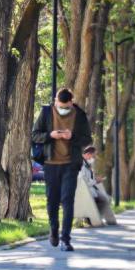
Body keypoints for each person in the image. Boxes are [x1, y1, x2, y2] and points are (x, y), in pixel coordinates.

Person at [32, 88, 92, 252]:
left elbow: (87, 139)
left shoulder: (79, 115)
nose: (63, 109)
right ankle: (54, 231)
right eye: (61, 106)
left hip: (70, 164)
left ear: (72, 102)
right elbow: (35, 135)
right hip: (51, 164)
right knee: (52, 201)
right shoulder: (46, 112)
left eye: (67, 107)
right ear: (55, 101)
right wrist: (50, 135)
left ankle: (66, 239)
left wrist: (71, 137)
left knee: (67, 200)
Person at [81, 146, 117, 225]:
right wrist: (95, 181)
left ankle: (101, 219)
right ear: (88, 154)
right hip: (86, 191)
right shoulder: (81, 165)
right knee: (105, 199)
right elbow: (84, 181)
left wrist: (95, 179)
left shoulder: (86, 164)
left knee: (107, 198)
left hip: (90, 189)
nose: (94, 158)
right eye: (93, 156)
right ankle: (108, 220)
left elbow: (88, 178)